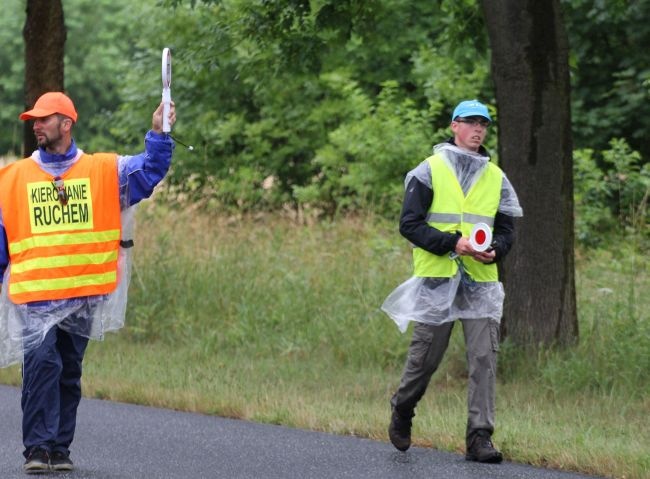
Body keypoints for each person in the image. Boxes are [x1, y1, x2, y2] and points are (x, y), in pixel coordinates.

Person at [0, 91, 176, 473]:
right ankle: (37, 448)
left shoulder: (103, 171)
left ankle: (59, 449)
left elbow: (147, 172)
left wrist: (158, 133)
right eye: (34, 119)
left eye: (44, 119)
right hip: (35, 297)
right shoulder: (13, 177)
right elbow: (2, 233)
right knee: (42, 363)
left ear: (66, 123)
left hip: (82, 295)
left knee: (68, 370)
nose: (36, 125)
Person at [381, 100, 523, 463]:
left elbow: (506, 228)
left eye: (484, 125)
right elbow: (409, 224)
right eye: (472, 123)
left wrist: (497, 249)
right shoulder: (428, 171)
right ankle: (403, 407)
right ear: (454, 126)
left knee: (483, 358)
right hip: (438, 278)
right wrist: (452, 243)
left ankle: (479, 437)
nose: (479, 130)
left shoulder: (496, 176)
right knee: (425, 359)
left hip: (480, 281)